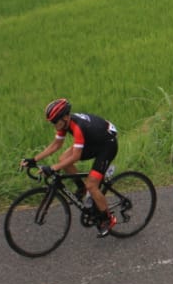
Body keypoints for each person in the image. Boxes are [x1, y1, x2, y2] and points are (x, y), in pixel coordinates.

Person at [23, 99, 119, 236]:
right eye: (52, 122)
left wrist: (53, 168)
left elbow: (75, 157)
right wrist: (34, 159)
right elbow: (56, 145)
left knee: (92, 185)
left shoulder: (78, 127)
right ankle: (82, 188)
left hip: (107, 145)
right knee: (63, 159)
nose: (54, 125)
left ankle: (107, 219)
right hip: (93, 141)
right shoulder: (64, 124)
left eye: (55, 121)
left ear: (65, 117)